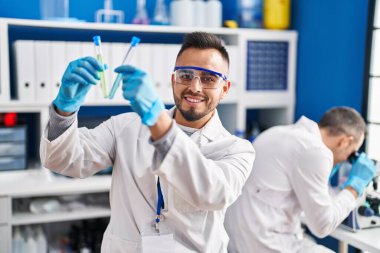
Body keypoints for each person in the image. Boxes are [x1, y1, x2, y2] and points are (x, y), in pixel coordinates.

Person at [40, 32, 255, 253]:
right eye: (186, 75)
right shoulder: (125, 127)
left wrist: (157, 121)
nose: (195, 87)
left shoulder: (237, 150)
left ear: (225, 89)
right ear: (173, 80)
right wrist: (64, 110)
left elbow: (212, 193)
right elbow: (63, 160)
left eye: (209, 78)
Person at [225, 107, 377, 253]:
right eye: (351, 154)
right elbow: (323, 226)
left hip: (235, 239)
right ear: (344, 141)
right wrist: (354, 187)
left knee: (309, 241)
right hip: (263, 244)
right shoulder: (315, 151)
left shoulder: (278, 132)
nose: (346, 160)